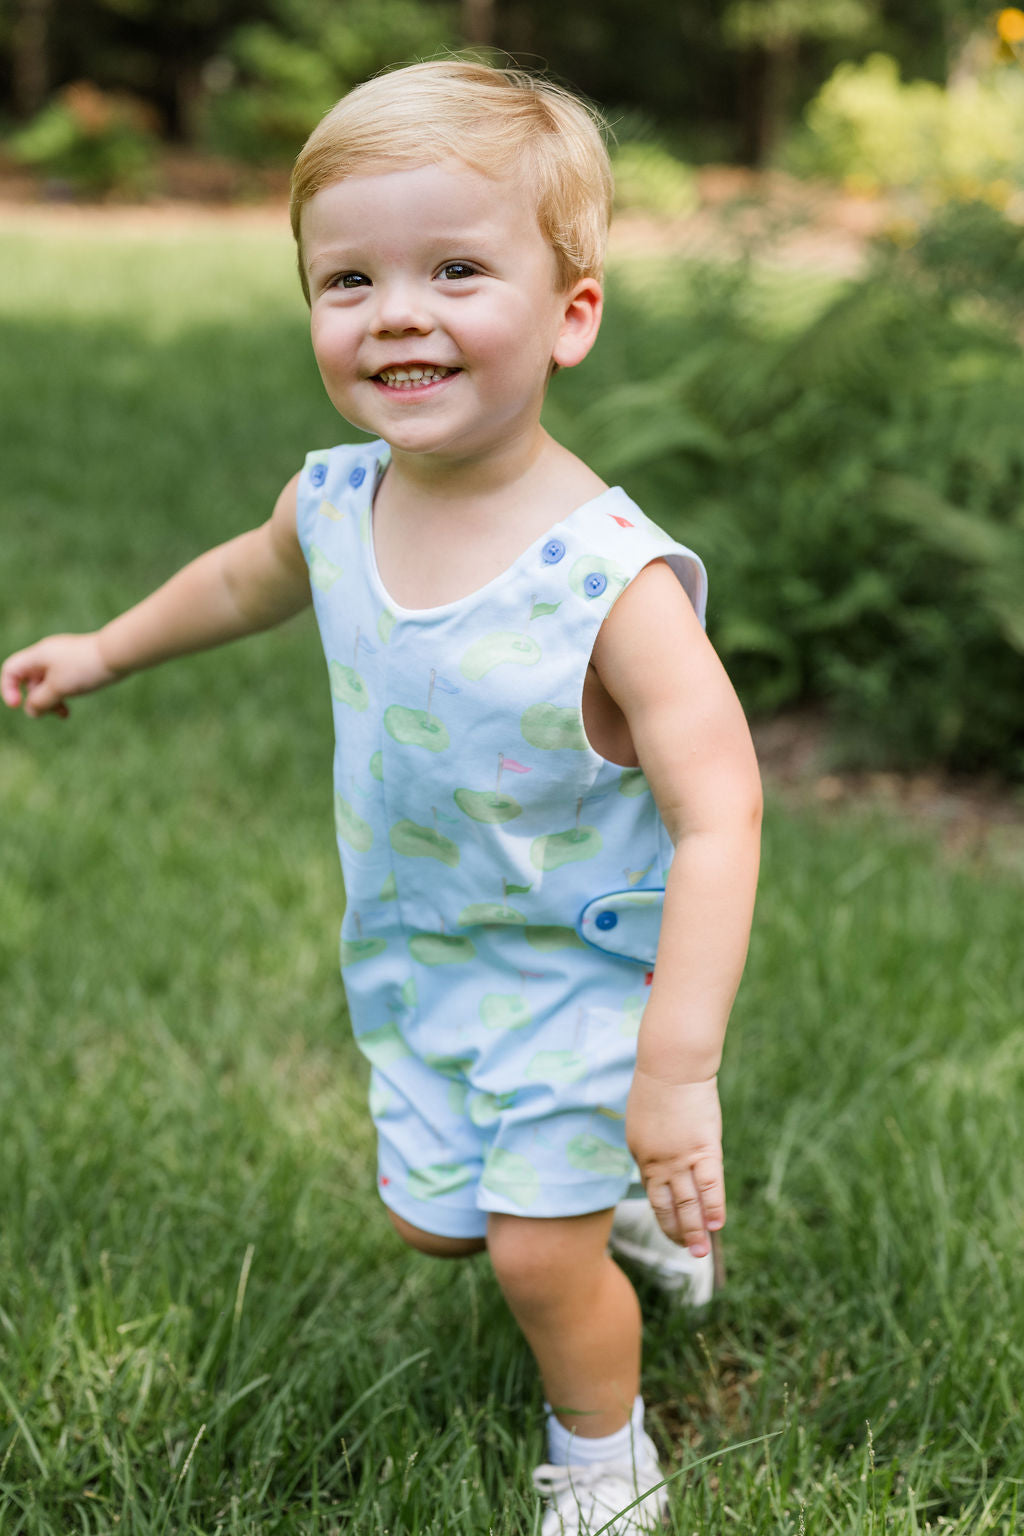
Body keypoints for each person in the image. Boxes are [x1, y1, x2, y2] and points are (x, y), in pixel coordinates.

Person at [1, 59, 761, 1535]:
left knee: (535, 1261)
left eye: (456, 270)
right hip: (425, 959)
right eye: (349, 278)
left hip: (583, 977)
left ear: (572, 315)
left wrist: (676, 1067)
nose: (396, 312)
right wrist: (104, 648)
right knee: (438, 1227)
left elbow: (721, 809)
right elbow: (241, 579)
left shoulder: (610, 583)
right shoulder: (337, 501)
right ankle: (624, 1198)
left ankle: (605, 1460)